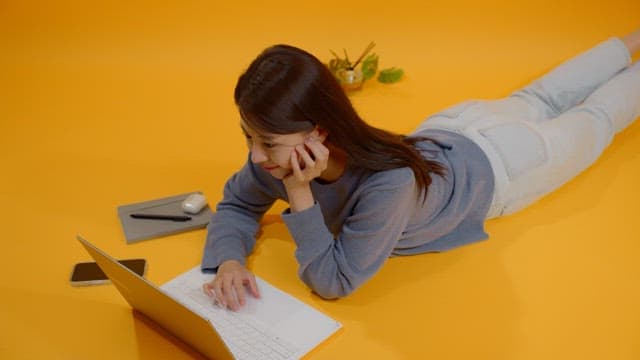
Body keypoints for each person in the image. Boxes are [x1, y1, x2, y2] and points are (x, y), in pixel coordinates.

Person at [202, 29, 640, 311]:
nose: (256, 156)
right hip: (452, 126)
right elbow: (237, 202)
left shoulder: (388, 184)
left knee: (599, 118)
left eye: (268, 143)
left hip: (508, 164)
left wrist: (299, 193)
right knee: (542, 95)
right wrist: (228, 261)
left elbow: (334, 281)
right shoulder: (275, 160)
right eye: (249, 137)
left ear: (317, 131)